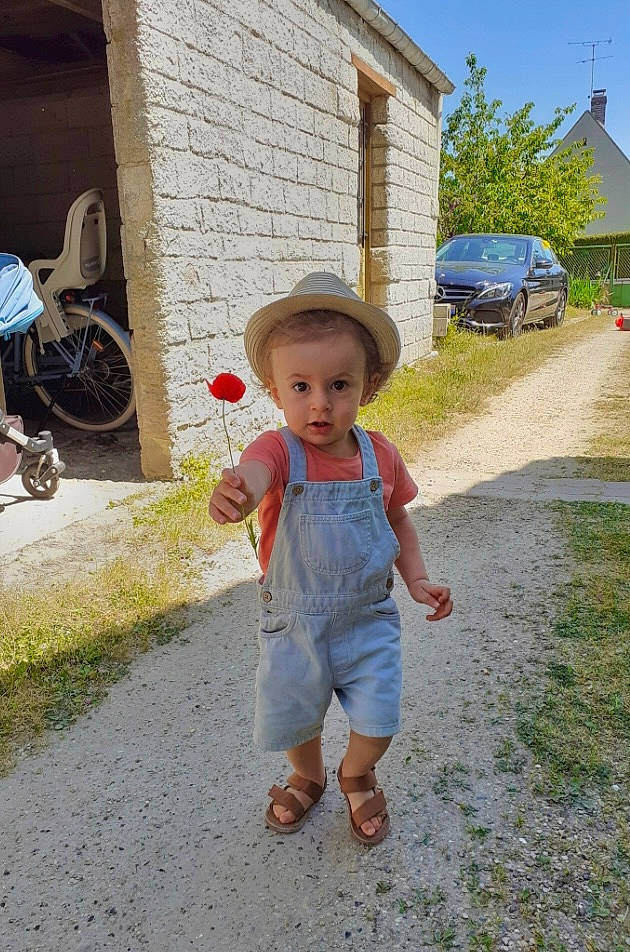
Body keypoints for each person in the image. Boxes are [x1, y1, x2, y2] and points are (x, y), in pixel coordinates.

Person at [209, 272, 452, 845]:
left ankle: (357, 771)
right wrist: (240, 491)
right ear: (274, 389)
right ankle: (307, 772)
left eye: (339, 384)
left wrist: (416, 579)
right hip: (295, 619)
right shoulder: (278, 450)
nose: (319, 402)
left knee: (378, 717)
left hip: (368, 618)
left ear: (368, 386)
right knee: (297, 713)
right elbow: (255, 472)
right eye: (301, 386)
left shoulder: (381, 455)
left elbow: (396, 519)